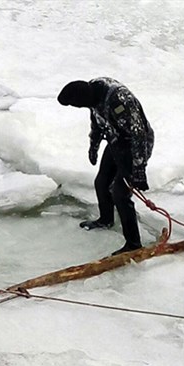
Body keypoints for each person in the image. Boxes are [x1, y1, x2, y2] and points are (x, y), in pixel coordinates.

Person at [57, 77, 154, 255]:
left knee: (120, 193)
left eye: (74, 105)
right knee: (101, 182)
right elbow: (97, 122)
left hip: (136, 144)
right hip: (116, 140)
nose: (76, 108)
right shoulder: (92, 95)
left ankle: (134, 244)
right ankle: (106, 219)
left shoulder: (119, 99)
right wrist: (93, 147)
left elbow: (138, 134)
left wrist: (139, 171)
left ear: (81, 99)